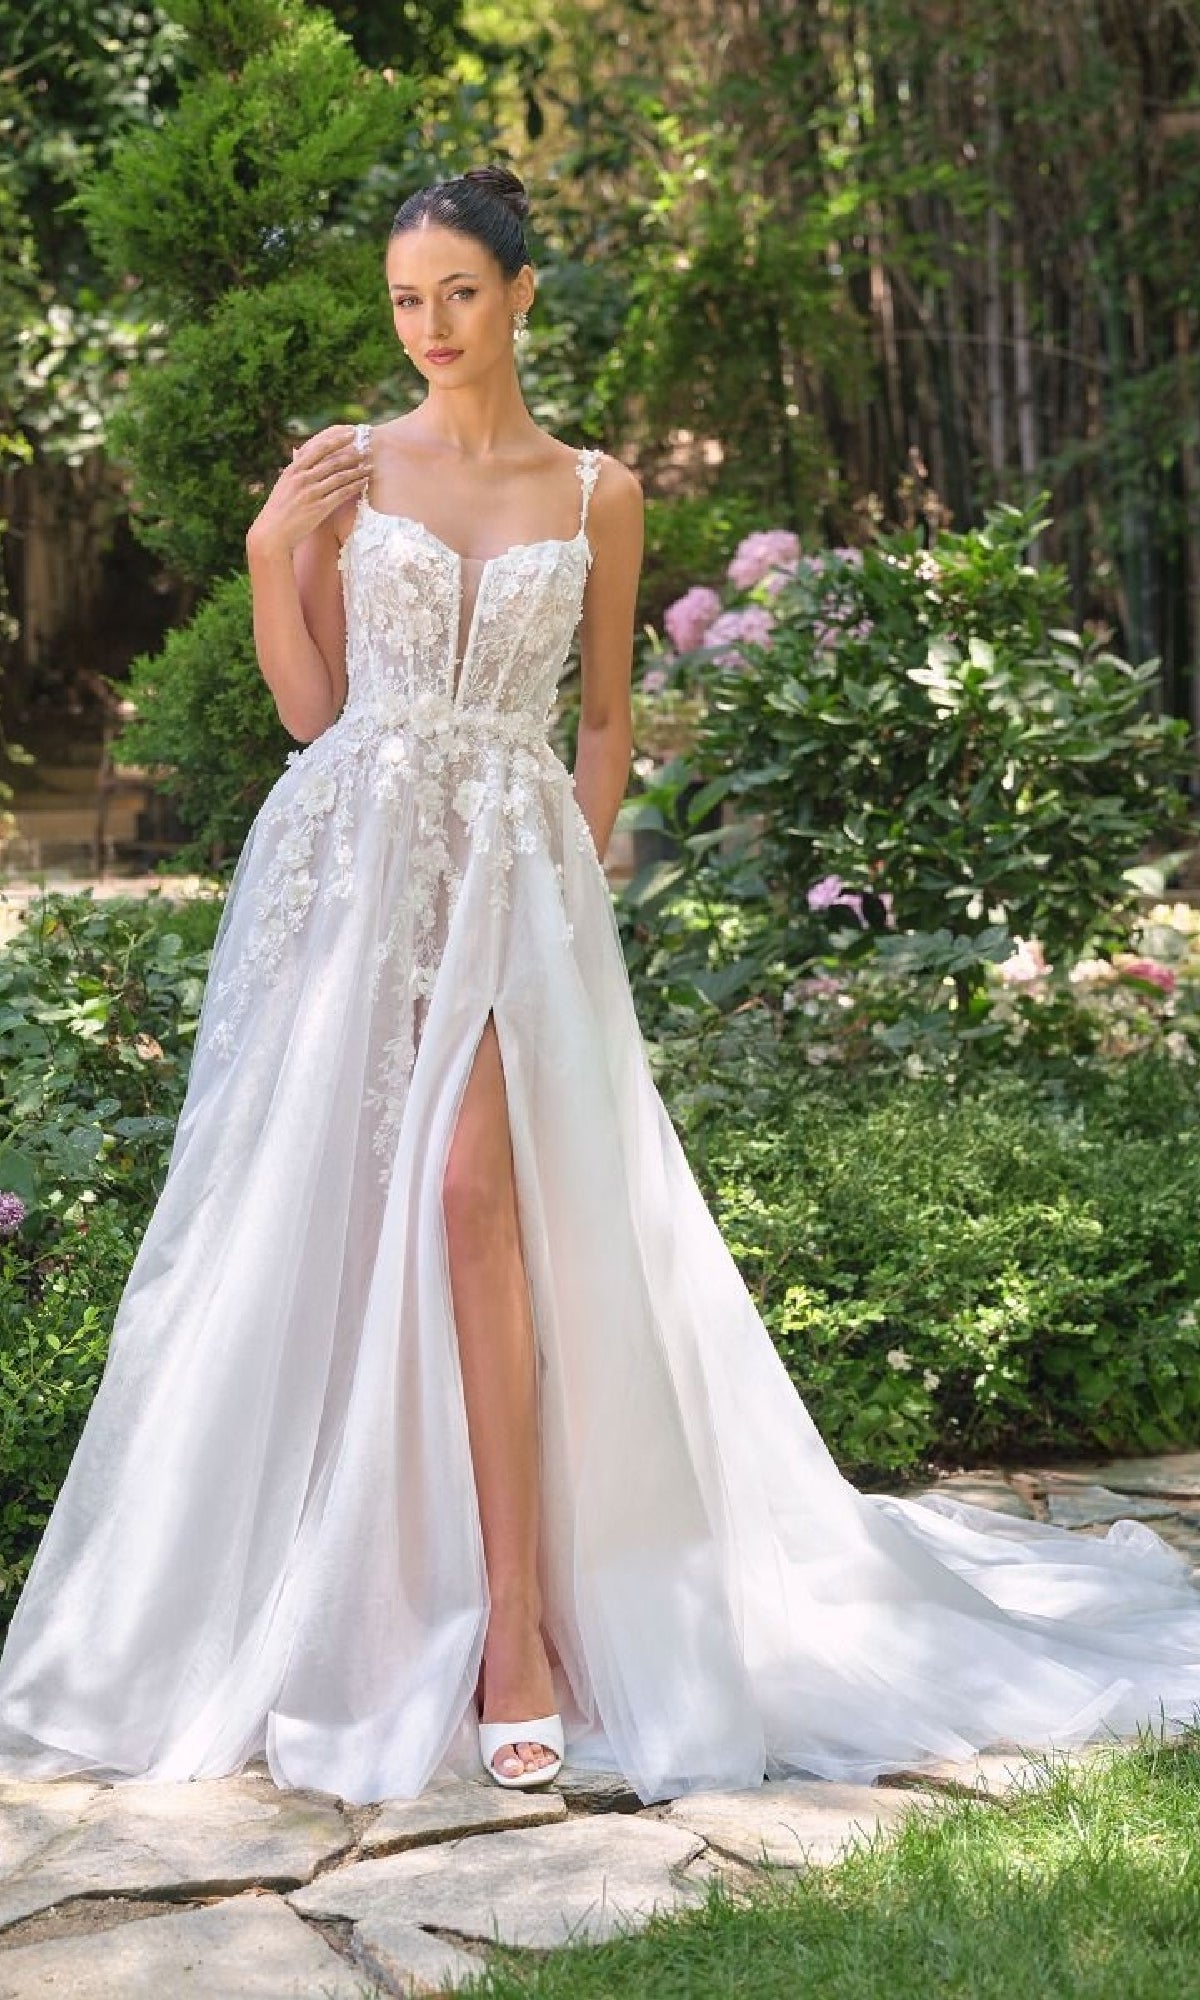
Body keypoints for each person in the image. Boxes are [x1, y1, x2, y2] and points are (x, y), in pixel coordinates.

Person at [0, 164, 1198, 1809]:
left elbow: (608, 720)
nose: (430, 329)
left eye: (460, 296)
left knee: (476, 1190)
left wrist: (561, 879)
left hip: (514, 882)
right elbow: (310, 709)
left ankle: (519, 1633)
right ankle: (345, 1608)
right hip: (351, 874)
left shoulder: (596, 493)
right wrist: (280, 550)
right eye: (406, 301)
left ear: (523, 296)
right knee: (335, 1223)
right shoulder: (351, 473)